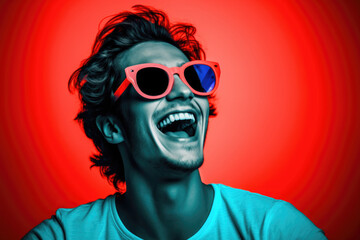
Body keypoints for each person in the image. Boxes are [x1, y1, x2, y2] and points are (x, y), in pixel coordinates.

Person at [23, 5, 327, 240]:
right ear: (112, 127)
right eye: (153, 80)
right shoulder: (65, 235)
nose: (183, 91)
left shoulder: (273, 228)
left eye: (194, 77)